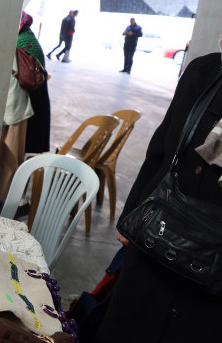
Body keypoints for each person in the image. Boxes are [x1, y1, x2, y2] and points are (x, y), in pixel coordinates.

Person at [95, 33, 222, 342]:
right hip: (158, 239)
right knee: (128, 325)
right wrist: (133, 210)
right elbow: (163, 147)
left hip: (213, 274)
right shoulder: (206, 72)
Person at [0, 12, 50, 214]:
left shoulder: (20, 41)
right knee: (9, 159)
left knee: (9, 160)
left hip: (16, 110)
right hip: (14, 109)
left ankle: (13, 204)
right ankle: (7, 201)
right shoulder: (25, 37)